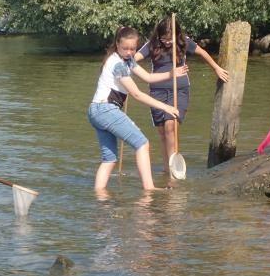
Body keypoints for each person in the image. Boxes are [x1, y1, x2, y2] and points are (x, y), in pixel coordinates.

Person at [89, 26, 188, 191]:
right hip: (105, 110)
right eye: (125, 48)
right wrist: (165, 107)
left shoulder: (127, 61)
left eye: (132, 49)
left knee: (109, 159)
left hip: (95, 111)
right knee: (142, 143)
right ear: (117, 45)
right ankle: (149, 188)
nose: (129, 52)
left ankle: (99, 195)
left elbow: (148, 77)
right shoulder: (117, 64)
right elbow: (137, 94)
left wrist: (172, 74)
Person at [134, 16, 229, 176]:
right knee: (162, 132)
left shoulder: (183, 42)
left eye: (169, 39)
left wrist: (216, 68)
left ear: (176, 34)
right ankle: (166, 169)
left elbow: (203, 53)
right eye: (164, 39)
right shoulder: (153, 44)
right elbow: (134, 59)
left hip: (180, 90)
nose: (167, 42)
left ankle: (174, 171)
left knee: (170, 126)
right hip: (157, 92)